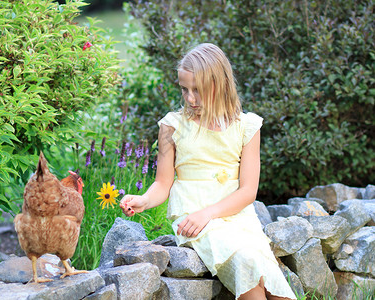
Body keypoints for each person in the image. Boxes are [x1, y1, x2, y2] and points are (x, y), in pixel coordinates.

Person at [119, 43, 296, 300]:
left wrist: (210, 213)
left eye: (198, 90)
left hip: (237, 217)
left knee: (268, 274)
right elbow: (163, 183)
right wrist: (144, 200)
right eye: (184, 89)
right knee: (247, 261)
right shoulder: (173, 126)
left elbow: (248, 191)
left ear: (220, 84)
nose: (190, 98)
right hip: (193, 218)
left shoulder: (246, 126)